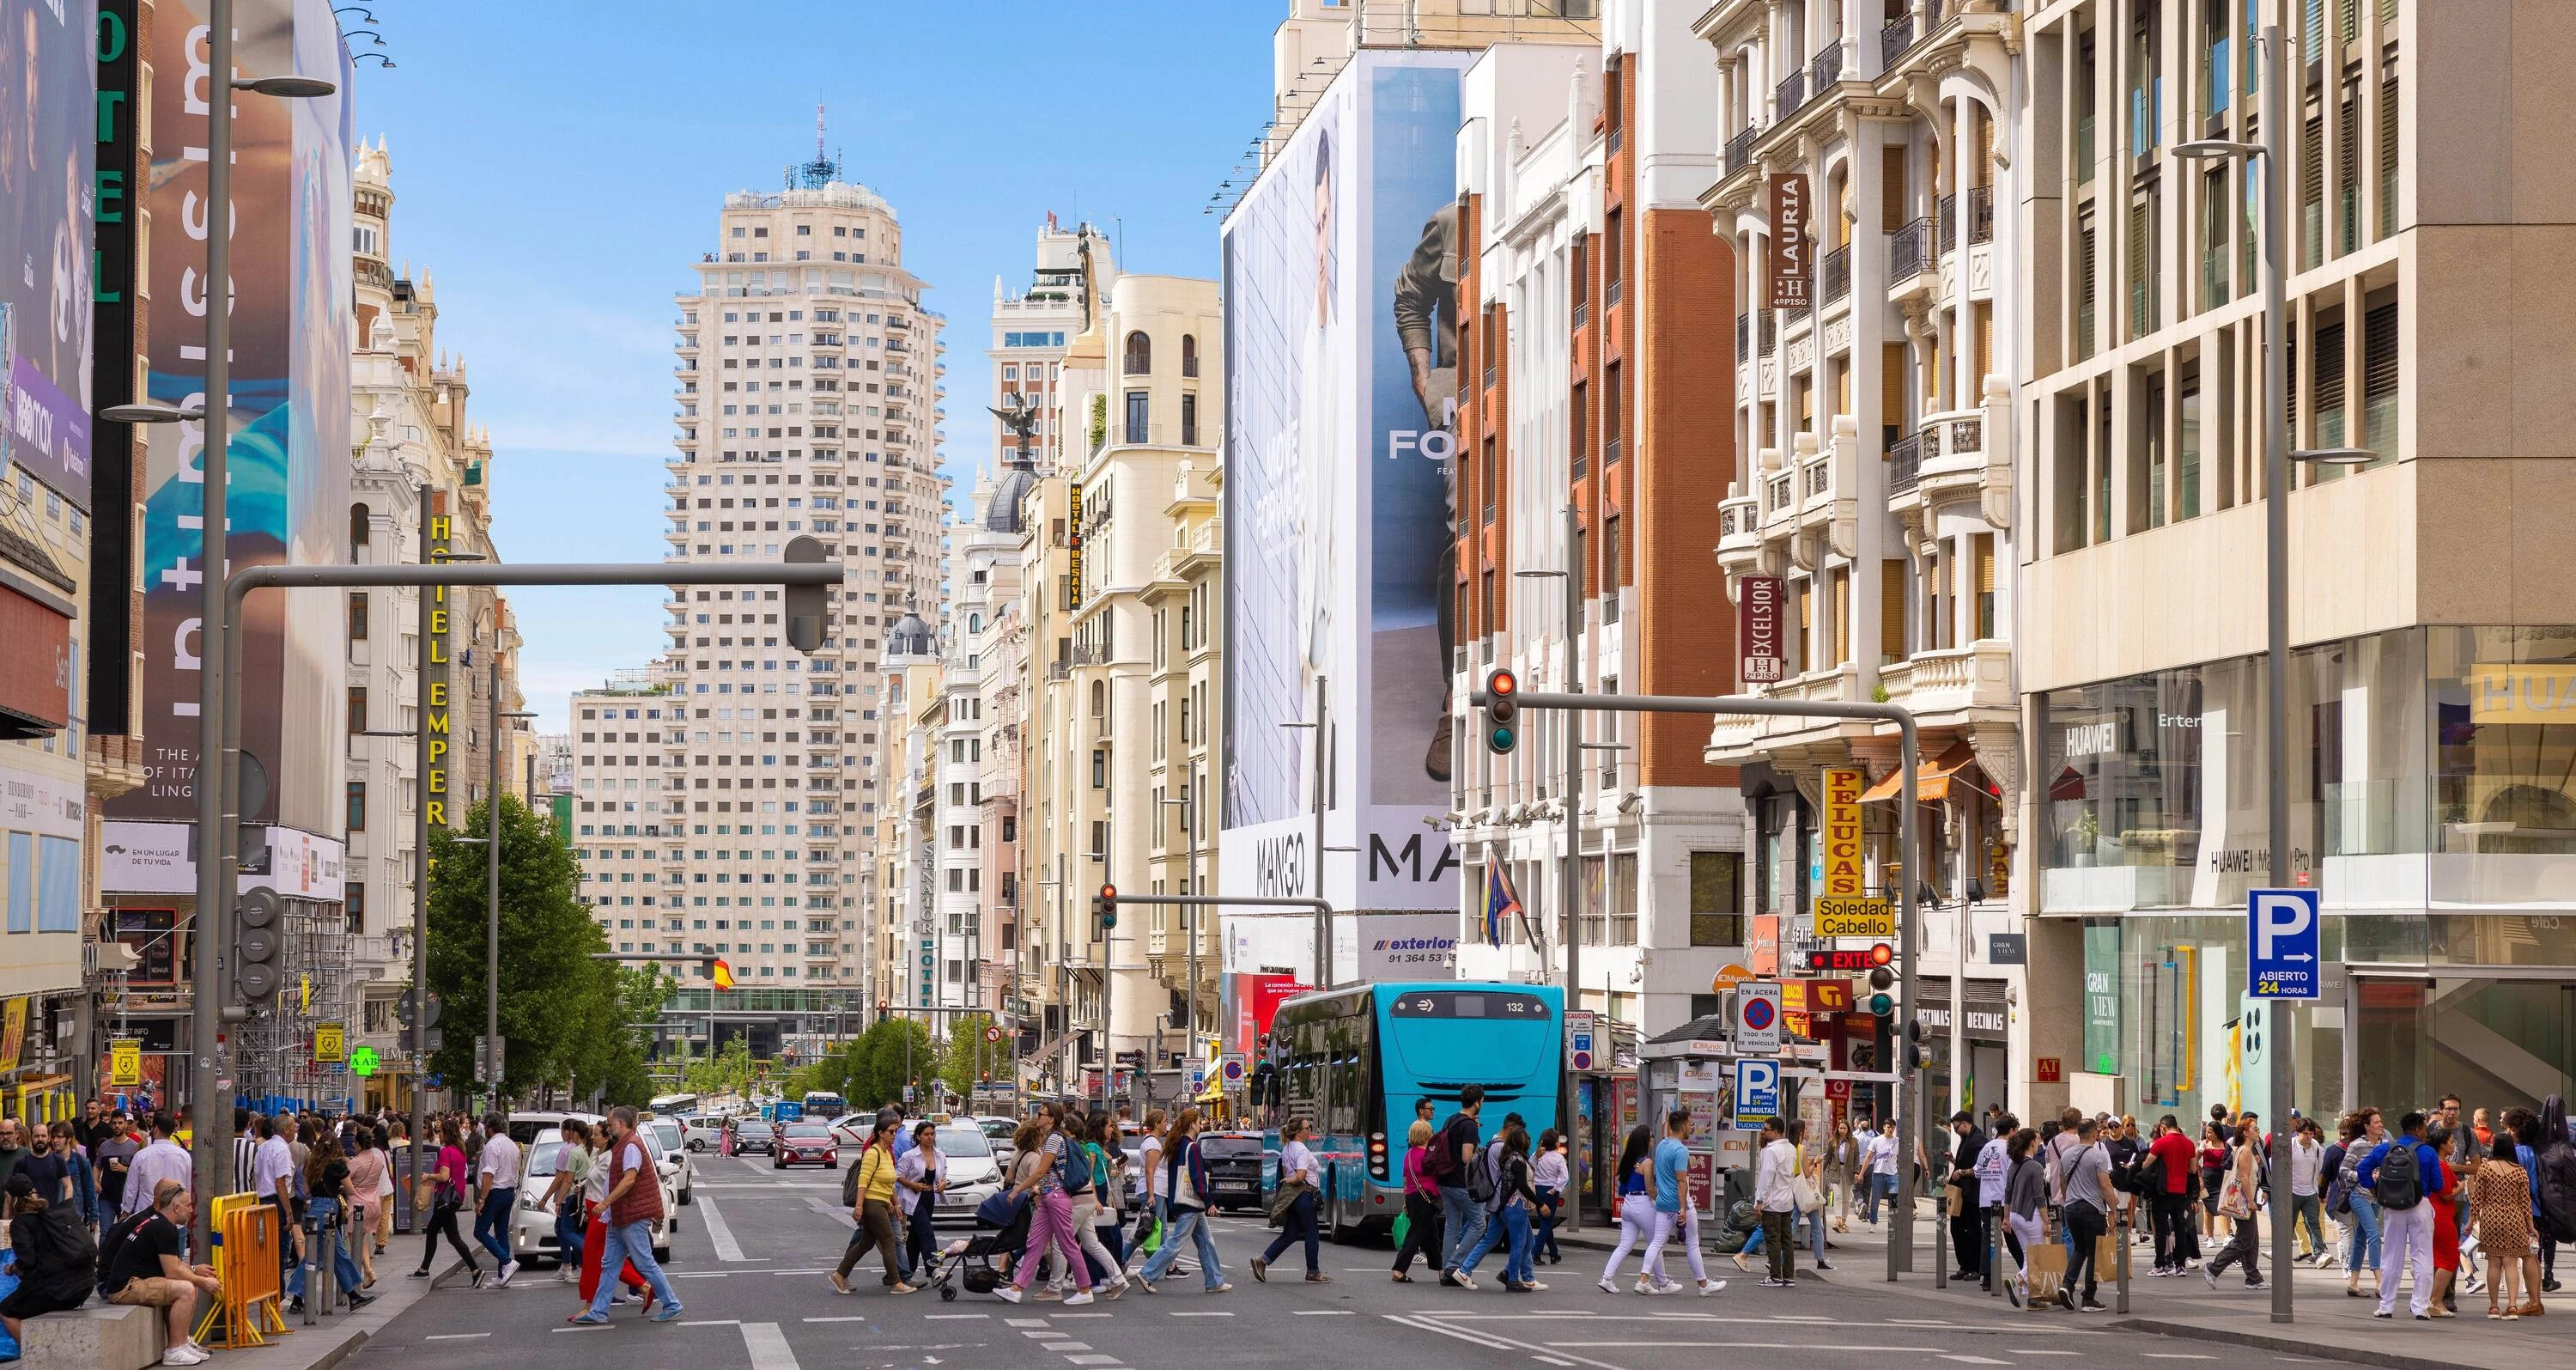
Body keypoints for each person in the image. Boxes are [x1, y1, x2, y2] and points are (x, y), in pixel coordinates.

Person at [568, 1107, 683, 1324]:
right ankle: (599, 1311)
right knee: (609, 1264)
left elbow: (629, 1179)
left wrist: (605, 1203)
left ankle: (672, 1303)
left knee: (644, 1262)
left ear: (621, 1124)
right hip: (619, 1217)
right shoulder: (624, 1145)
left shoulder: (631, 1146)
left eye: (610, 1125)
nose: (608, 1129)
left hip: (630, 1216)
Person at [101, 1181, 220, 1366]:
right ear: (176, 1207)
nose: (191, 1210)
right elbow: (172, 1271)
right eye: (188, 1205)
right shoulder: (164, 1228)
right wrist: (202, 1282)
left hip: (133, 1281)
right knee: (187, 1289)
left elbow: (174, 1264)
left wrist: (196, 1272)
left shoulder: (160, 1223)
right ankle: (174, 1350)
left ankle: (182, 1343)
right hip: (126, 1287)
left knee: (189, 1286)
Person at [1128, 1108, 1230, 1294]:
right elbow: (1197, 1177)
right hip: (1191, 1202)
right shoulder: (1192, 1147)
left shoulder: (1176, 1145)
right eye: (1199, 1122)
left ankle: (1215, 1281)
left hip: (1181, 1200)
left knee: (1206, 1241)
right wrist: (1209, 1202)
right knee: (1176, 1241)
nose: (1200, 1125)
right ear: (1192, 1124)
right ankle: (1147, 1273)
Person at [2357, 1109, 2444, 1319]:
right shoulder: (2428, 1152)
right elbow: (2438, 1185)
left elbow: (2362, 1169)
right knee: (2422, 1256)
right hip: (2419, 1205)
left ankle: (2386, 1305)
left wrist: (2374, 1190)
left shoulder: (2386, 1148)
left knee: (2391, 1256)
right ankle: (2420, 1307)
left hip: (2393, 1207)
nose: (2426, 1132)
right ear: (2416, 1130)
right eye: (2424, 1128)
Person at [999, 1112, 1094, 1305]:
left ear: (1051, 1119)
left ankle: (1085, 1290)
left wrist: (1016, 1190)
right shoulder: (1053, 1138)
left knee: (1067, 1243)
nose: (1038, 1116)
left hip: (1056, 1196)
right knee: (1035, 1243)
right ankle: (1017, 1288)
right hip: (1048, 1196)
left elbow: (1041, 1171)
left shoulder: (1054, 1139)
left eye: (1041, 1113)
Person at [1635, 1106, 1722, 1295]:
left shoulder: (1661, 1146)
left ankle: (1643, 1279)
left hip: (1662, 1203)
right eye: (1690, 1123)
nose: (1691, 1126)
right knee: (1692, 1243)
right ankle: (1703, 1284)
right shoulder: (1681, 1151)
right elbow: (1682, 1181)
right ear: (1683, 1126)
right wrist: (1683, 1208)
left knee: (1657, 1242)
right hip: (1679, 1203)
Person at [830, 1109, 917, 1294]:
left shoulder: (887, 1153)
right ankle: (896, 1282)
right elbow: (863, 1180)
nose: (895, 1134)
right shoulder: (873, 1153)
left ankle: (839, 1274)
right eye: (891, 1132)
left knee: (865, 1243)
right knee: (889, 1240)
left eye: (896, 1131)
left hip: (883, 1202)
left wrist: (896, 1204)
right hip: (872, 1203)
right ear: (880, 1133)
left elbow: (890, 1182)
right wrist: (860, 1206)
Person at [3, 1172, 96, 1342]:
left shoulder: (20, 1223)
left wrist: (12, 1268)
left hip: (59, 1289)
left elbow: (28, 1262)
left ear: (12, 1199)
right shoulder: (48, 1213)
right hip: (85, 1283)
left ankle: (34, 1356)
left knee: (7, 1311)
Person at [287, 1136, 373, 1313]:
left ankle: (352, 1295)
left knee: (337, 1254)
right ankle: (297, 1297)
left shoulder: (311, 1164)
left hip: (315, 1208)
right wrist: (337, 1188)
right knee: (315, 1257)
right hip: (329, 1209)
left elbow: (307, 1191)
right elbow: (350, 1189)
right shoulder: (337, 1165)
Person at [2471, 1122, 2536, 1319]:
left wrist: (2471, 1219)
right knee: (2511, 1262)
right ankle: (2513, 1306)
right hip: (2514, 1218)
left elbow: (2477, 1198)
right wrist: (2531, 1226)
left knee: (2494, 1264)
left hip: (2491, 1217)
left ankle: (2493, 1307)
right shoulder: (2519, 1171)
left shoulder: (2485, 1169)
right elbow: (2526, 1202)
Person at [1253, 1116, 1328, 1284]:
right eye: (1307, 1128)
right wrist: (1292, 1180)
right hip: (1303, 1194)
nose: (1309, 1131)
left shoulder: (1286, 1149)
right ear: (1298, 1132)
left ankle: (1263, 1260)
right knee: (1312, 1233)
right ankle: (1313, 1272)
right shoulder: (1301, 1150)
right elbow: (1300, 1176)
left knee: (1291, 1234)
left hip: (1292, 1197)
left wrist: (1289, 1180)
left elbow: (1287, 1171)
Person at [2057, 1116, 2115, 1312]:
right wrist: (2115, 1210)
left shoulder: (2066, 1155)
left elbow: (2062, 1183)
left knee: (2080, 1249)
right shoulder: (2098, 1156)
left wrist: (2068, 1201)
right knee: (2093, 1253)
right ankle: (2088, 1298)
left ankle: (2067, 1285)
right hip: (2091, 1208)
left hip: (2071, 1207)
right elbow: (2105, 1186)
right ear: (2093, 1134)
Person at [2202, 1120, 2269, 1290]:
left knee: (2252, 1240)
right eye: (2255, 1129)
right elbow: (2244, 1177)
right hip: (2244, 1200)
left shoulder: (2246, 1150)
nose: (2257, 1132)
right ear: (2245, 1132)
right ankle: (2213, 1267)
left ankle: (2253, 1278)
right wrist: (2251, 1200)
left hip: (2245, 1200)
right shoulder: (2245, 1150)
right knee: (2245, 1241)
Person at [414, 1117, 481, 1284]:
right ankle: (474, 1270)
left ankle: (475, 1270)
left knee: (440, 1233)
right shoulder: (460, 1150)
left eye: (441, 1131)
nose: (439, 1134)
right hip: (455, 1197)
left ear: (447, 1133)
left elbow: (444, 1176)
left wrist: (428, 1175)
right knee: (449, 1235)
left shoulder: (446, 1151)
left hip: (445, 1198)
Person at [1434, 1084, 1488, 1286]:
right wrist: (1480, 1157)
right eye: (1482, 1101)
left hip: (1444, 1181)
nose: (1482, 1104)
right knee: (1479, 1223)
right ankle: (1454, 1267)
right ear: (1476, 1103)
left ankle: (1447, 1270)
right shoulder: (1470, 1126)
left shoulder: (1451, 1120)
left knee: (1452, 1226)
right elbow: (1467, 1157)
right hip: (1461, 1183)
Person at [1596, 1123, 1658, 1294]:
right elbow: (1651, 1189)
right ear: (1645, 1140)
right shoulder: (1647, 1162)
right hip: (1643, 1203)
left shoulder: (1629, 1161)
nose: (1653, 1140)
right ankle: (1657, 1281)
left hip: (1628, 1203)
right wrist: (1661, 1202)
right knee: (1656, 1243)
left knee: (1624, 1245)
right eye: (1651, 1137)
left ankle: (1606, 1278)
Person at [1487, 1123, 1542, 1293]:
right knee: (1519, 1243)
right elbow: (1523, 1187)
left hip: (1514, 1205)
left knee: (1529, 1241)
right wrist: (1541, 1203)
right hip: (1515, 1205)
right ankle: (1512, 1280)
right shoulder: (1517, 1161)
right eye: (1527, 1139)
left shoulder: (1515, 1157)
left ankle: (1509, 1272)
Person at [471, 1111, 523, 1288]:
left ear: (491, 1128)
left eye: (485, 1127)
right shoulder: (512, 1145)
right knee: (501, 1233)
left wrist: (482, 1199)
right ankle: (502, 1276)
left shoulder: (493, 1146)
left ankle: (506, 1262)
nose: (484, 1130)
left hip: (494, 1193)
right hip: (508, 1192)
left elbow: (489, 1173)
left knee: (480, 1231)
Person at [2340, 1108, 2388, 1296]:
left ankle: (2353, 1283)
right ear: (2367, 1126)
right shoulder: (2357, 1145)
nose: (2380, 1125)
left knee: (2360, 1238)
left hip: (2376, 1197)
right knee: (2375, 1234)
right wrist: (2362, 1176)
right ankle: (2379, 1280)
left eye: (2380, 1122)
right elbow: (2343, 1170)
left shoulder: (2384, 1144)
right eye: (2376, 1122)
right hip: (2359, 1195)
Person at [1392, 1119, 1446, 1282]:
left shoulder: (1409, 1154)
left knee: (1432, 1235)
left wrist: (1405, 1200)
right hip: (1427, 1198)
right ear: (1426, 1135)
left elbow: (1406, 1179)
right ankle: (1399, 1270)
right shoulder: (1428, 1155)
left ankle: (1441, 1269)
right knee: (1415, 1234)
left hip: (1412, 1196)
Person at [539, 1118, 592, 1284]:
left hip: (571, 1196)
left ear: (571, 1132)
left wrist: (554, 1200)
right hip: (585, 1196)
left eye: (563, 1130)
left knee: (566, 1230)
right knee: (575, 1230)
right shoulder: (590, 1150)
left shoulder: (569, 1151)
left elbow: (564, 1178)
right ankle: (575, 1264)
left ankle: (579, 1261)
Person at [1752, 1115, 1799, 1288]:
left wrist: (1759, 1201)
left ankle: (1775, 1276)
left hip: (1772, 1201)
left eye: (1766, 1129)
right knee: (1786, 1240)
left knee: (1773, 1240)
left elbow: (1766, 1177)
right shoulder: (1791, 1148)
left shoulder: (1772, 1151)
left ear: (1776, 1132)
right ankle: (1788, 1275)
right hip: (1786, 1200)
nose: (1763, 1132)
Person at [2001, 1128, 2045, 1308]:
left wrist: (2005, 1218)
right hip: (2031, 1215)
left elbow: (2008, 1193)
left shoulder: (2013, 1165)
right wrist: (2047, 1221)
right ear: (2031, 1143)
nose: (2039, 1143)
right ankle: (2017, 1280)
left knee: (2028, 1256)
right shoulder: (2035, 1167)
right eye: (2037, 1139)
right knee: (2038, 1257)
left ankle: (2031, 1297)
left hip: (2014, 1216)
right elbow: (2039, 1197)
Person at [896, 1122, 945, 1283]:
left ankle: (906, 1272)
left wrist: (943, 1183)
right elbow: (898, 1176)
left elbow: (942, 1177)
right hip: (913, 1199)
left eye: (932, 1134)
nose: (930, 1137)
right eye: (926, 1134)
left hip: (929, 1198)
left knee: (916, 1237)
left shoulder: (940, 1155)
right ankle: (934, 1269)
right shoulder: (910, 1155)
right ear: (918, 1136)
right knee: (926, 1231)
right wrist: (913, 1185)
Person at [118, 1114, 189, 1222]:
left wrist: (126, 1211)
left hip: (146, 1217)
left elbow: (131, 1189)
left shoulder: (141, 1156)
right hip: (176, 1218)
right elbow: (188, 1187)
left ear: (156, 1129)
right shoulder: (184, 1156)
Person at [1946, 1112, 1986, 1281]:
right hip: (1963, 1193)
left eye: (1956, 1127)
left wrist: (1960, 1172)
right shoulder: (1966, 1140)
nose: (1955, 1131)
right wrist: (1954, 1161)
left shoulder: (1979, 1141)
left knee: (1973, 1231)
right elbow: (1965, 1164)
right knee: (1957, 1229)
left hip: (1972, 1195)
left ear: (1965, 1123)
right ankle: (1965, 1265)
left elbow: (1978, 1169)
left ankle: (1976, 1267)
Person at [343, 1126, 384, 1289]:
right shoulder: (378, 1160)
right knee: (363, 1238)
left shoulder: (355, 1162)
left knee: (355, 1242)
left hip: (357, 1205)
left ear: (358, 1144)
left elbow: (345, 1179)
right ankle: (368, 1272)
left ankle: (363, 1275)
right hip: (374, 1203)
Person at [2287, 1117, 2326, 1263]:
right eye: (2306, 1134)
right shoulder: (2290, 1145)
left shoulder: (2316, 1146)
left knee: (2313, 1223)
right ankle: (2284, 1254)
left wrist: (2320, 1192)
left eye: (2311, 1134)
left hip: (2310, 1191)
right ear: (2298, 1132)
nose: (2309, 1137)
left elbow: (2320, 1171)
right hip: (2292, 1191)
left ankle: (2319, 1253)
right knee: (2289, 1225)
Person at [1531, 1129, 1568, 1266]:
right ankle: (1535, 1252)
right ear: (1556, 1144)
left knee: (1545, 1223)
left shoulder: (1538, 1155)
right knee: (1547, 1224)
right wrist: (1556, 1188)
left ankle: (1554, 1254)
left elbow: (1530, 1165)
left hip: (1537, 1189)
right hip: (1550, 1191)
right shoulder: (1558, 1158)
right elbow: (1564, 1176)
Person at [94, 1113, 139, 1223]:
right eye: (114, 1123)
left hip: (126, 1197)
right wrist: (95, 1181)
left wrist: (125, 1169)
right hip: (106, 1196)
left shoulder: (134, 1146)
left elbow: (139, 1172)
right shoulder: (104, 1146)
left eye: (120, 1123)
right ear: (110, 1125)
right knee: (105, 1231)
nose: (117, 1126)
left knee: (124, 1231)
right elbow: (97, 1165)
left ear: (126, 1124)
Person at [1862, 1117, 1899, 1226]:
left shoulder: (1897, 1141)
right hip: (1878, 1173)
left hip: (1892, 1174)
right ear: (1884, 1127)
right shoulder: (1876, 1140)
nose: (1890, 1130)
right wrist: (1861, 1173)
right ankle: (1873, 1222)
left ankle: (1893, 1222)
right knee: (1875, 1200)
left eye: (1892, 1128)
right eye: (1888, 1127)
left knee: (1894, 1198)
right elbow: (1868, 1157)